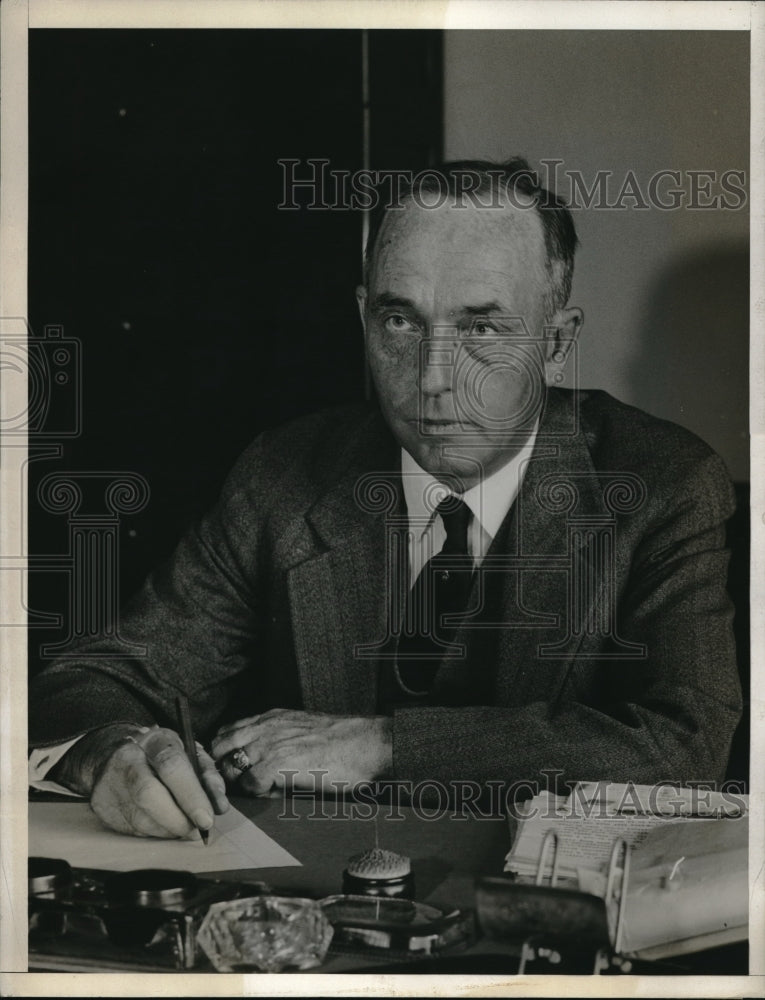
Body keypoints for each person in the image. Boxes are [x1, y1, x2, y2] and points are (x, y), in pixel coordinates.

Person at [28, 159, 742, 840]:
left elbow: (684, 751)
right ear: (364, 317)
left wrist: (381, 745)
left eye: (480, 328)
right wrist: (110, 750)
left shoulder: (663, 486)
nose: (432, 378)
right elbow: (102, 677)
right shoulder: (283, 474)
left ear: (556, 345)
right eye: (401, 323)